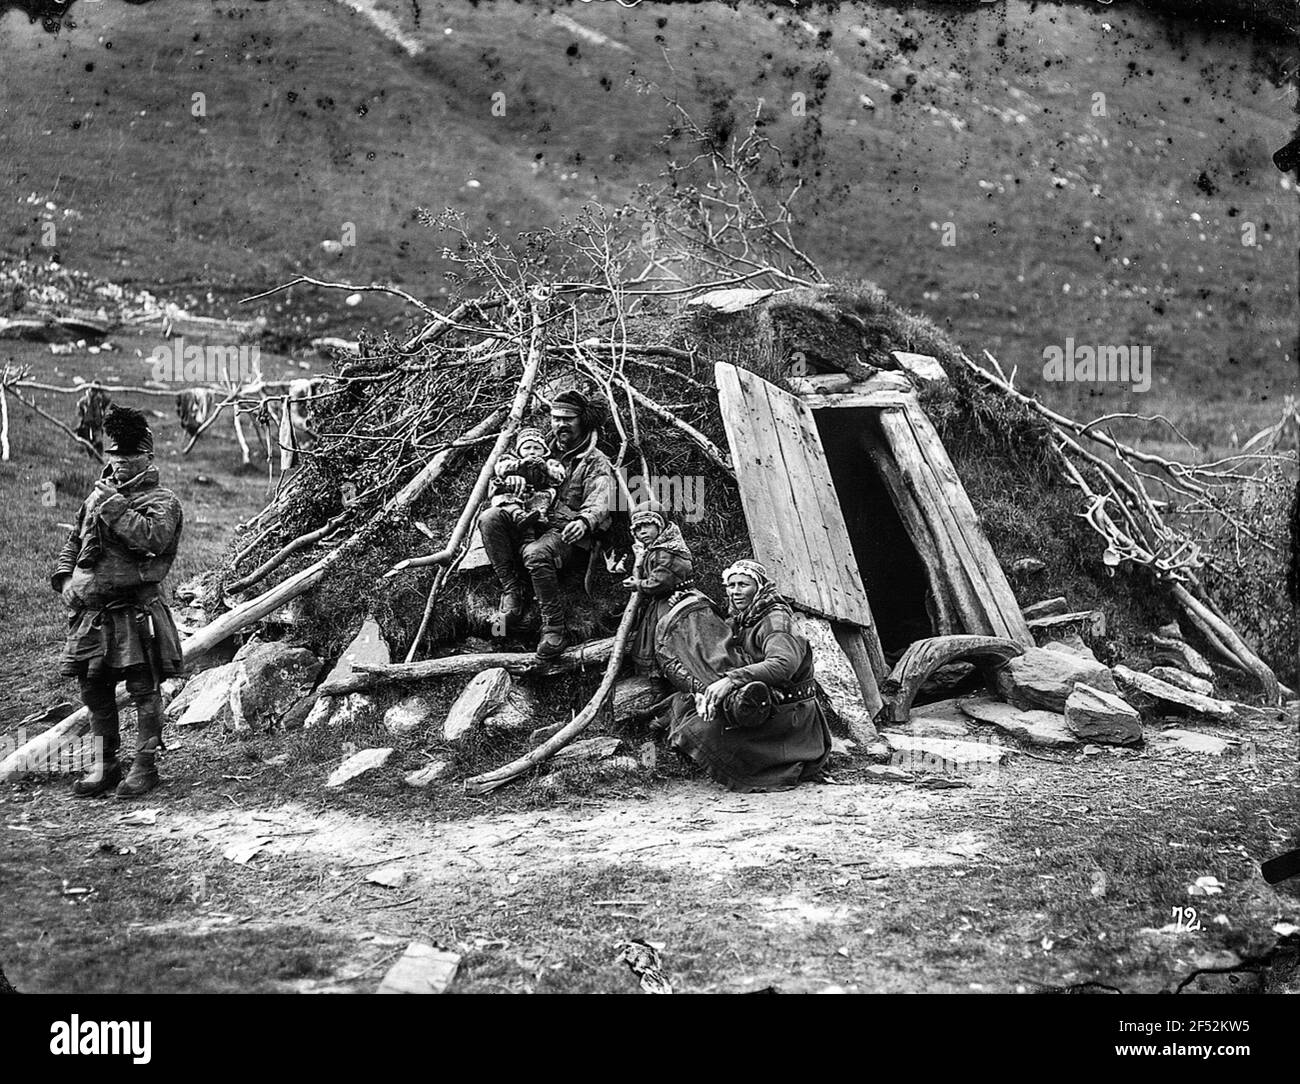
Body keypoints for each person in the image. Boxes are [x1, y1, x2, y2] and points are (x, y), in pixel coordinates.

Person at [51, 404, 185, 799]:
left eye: (128, 456)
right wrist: (64, 581)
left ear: (148, 457)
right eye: (114, 455)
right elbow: (73, 542)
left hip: (135, 612)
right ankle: (105, 765)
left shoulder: (163, 501)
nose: (120, 463)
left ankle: (145, 766)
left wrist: (113, 505)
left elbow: (152, 539)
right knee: (94, 689)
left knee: (144, 689)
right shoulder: (96, 497)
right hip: (91, 614)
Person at [656, 559, 832, 792]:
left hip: (789, 715)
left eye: (743, 585)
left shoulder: (776, 622)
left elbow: (783, 665)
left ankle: (774, 764)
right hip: (761, 701)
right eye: (731, 585)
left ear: (759, 588)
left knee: (705, 730)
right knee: (685, 704)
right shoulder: (746, 616)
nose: (735, 592)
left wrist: (730, 681)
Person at [478, 390, 615, 659]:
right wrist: (511, 482)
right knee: (489, 519)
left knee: (535, 552)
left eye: (568, 419)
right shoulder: (539, 447)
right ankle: (513, 593)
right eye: (555, 418)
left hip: (566, 532)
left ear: (583, 421)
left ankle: (554, 626)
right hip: (529, 520)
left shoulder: (595, 460)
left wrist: (584, 521)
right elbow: (501, 478)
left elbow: (602, 498)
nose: (560, 425)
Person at [623, 507, 694, 675]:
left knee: (666, 637)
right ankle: (661, 678)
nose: (642, 532)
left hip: (674, 599)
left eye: (647, 526)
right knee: (652, 637)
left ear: (660, 526)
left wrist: (639, 584)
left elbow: (660, 581)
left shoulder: (667, 551)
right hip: (661, 600)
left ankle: (674, 675)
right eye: (638, 529)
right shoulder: (657, 549)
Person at [488, 426, 567, 540]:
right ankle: (518, 515)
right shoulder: (510, 459)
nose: (532, 452)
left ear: (544, 450)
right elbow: (500, 469)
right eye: (527, 448)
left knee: (546, 495)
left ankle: (539, 519)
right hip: (516, 493)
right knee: (504, 499)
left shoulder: (549, 462)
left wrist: (546, 469)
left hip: (537, 494)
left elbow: (559, 477)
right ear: (519, 450)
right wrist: (519, 464)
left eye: (537, 448)